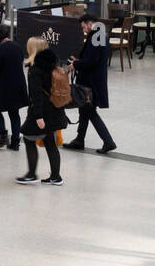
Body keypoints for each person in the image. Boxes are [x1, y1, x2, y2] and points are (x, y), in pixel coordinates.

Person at [68, 12, 117, 154]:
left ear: (90, 23)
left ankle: (108, 141)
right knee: (84, 110)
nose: (83, 30)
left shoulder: (98, 36)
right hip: (93, 80)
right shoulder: (99, 33)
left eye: (84, 27)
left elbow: (92, 61)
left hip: (91, 82)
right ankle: (79, 140)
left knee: (89, 111)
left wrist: (76, 64)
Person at [17, 37, 63, 185]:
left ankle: (31, 174)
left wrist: (38, 116)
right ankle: (56, 177)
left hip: (42, 112)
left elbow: (37, 95)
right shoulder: (53, 64)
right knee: (50, 143)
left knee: (28, 138)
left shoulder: (36, 69)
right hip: (56, 109)